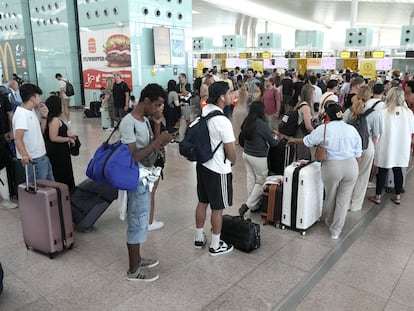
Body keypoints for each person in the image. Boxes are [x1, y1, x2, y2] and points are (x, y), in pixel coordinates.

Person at [119, 83, 172, 281]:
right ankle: (133, 271)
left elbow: (153, 149)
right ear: (146, 100)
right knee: (136, 221)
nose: (159, 109)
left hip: (146, 177)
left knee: (141, 221)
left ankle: (138, 259)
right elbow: (132, 156)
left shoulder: (145, 120)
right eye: (157, 105)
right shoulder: (128, 122)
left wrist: (157, 125)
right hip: (135, 178)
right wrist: (158, 142)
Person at [287, 102, 361, 239]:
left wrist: (293, 140)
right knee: (343, 201)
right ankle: (336, 231)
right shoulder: (351, 129)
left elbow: (307, 141)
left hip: (333, 166)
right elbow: (358, 153)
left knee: (330, 195)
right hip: (351, 166)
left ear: (327, 115)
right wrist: (357, 170)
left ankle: (327, 219)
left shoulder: (324, 129)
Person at [194, 81, 236, 256]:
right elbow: (231, 152)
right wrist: (232, 161)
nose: (232, 96)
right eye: (230, 93)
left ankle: (198, 238)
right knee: (217, 208)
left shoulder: (204, 112)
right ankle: (216, 245)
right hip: (218, 169)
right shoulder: (222, 121)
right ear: (221, 96)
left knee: (202, 202)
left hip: (202, 165)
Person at [369, 87, 414, 205]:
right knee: (398, 170)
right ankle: (397, 196)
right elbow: (412, 130)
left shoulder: (383, 112)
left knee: (382, 170)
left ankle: (378, 196)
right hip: (402, 146)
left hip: (386, 145)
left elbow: (377, 131)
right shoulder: (408, 113)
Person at [343, 85, 381, 212]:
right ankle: (355, 205)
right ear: (370, 96)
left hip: (349, 147)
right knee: (363, 177)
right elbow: (376, 135)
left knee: (348, 176)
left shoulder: (349, 111)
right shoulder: (374, 114)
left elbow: (342, 128)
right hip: (366, 146)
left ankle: (345, 202)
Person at [238, 101, 278, 215]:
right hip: (258, 157)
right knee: (261, 181)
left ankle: (253, 206)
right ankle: (248, 205)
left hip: (246, 154)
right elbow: (273, 143)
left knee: (251, 179)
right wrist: (276, 138)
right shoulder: (262, 124)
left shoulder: (247, 122)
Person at [12, 84, 54, 182]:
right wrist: (25, 155)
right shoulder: (21, 115)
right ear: (32, 98)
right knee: (40, 190)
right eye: (38, 96)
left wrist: (44, 117)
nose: (40, 98)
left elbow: (40, 131)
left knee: (50, 188)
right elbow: (18, 139)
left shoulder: (31, 111)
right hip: (34, 160)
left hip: (42, 156)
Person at [44, 96, 76, 192]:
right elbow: (53, 137)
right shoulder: (54, 120)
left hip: (59, 150)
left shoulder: (52, 119)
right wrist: (68, 139)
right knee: (62, 172)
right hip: (58, 152)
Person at [295, 85, 315, 160]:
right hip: (302, 134)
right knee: (303, 156)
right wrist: (316, 133)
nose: (314, 95)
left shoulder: (300, 104)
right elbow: (308, 126)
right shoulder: (306, 107)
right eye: (313, 93)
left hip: (298, 133)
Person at [232, 80, 248, 145]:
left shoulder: (235, 93)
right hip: (245, 110)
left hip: (237, 111)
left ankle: (237, 140)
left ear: (238, 86)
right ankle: (244, 139)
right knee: (244, 126)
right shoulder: (246, 93)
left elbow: (233, 103)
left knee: (236, 126)